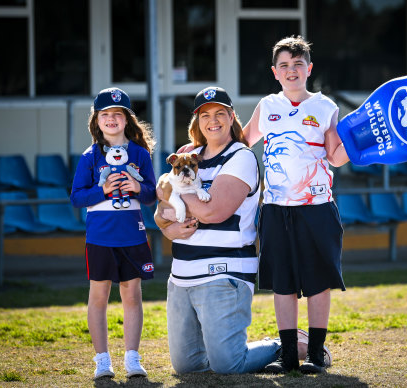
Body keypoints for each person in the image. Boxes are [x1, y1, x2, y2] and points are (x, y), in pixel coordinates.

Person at [156, 86, 289, 374]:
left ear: (231, 117)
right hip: (181, 275)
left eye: (219, 113)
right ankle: (223, 347)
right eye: (205, 115)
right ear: (197, 121)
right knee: (186, 367)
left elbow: (212, 211)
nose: (212, 121)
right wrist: (169, 230)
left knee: (227, 365)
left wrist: (174, 187)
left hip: (224, 272)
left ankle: (286, 345)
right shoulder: (188, 155)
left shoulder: (240, 156)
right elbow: (160, 213)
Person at [243, 35, 349, 374]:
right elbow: (241, 144)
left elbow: (336, 156)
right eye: (285, 66)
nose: (292, 71)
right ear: (275, 72)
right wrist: (198, 150)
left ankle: (316, 353)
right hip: (274, 208)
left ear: (309, 69)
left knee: (317, 280)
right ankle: (288, 354)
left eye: (298, 64)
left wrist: (363, 144)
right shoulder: (268, 106)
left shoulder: (325, 107)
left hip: (317, 207)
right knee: (282, 283)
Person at [70, 87, 157, 380]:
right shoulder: (90, 156)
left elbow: (151, 195)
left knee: (132, 295)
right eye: (105, 114)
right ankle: (102, 360)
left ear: (126, 119)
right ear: (97, 120)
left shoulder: (140, 154)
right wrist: (102, 190)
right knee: (99, 297)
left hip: (132, 235)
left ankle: (132, 358)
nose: (111, 119)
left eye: (117, 114)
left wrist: (138, 188)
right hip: (100, 238)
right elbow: (77, 197)